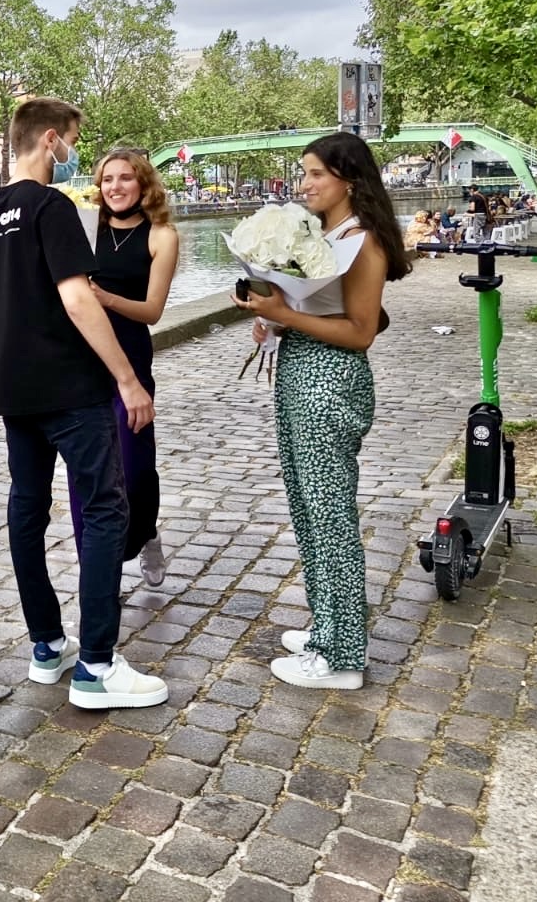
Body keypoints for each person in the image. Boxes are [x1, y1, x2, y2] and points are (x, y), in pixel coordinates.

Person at [0, 97, 169, 711]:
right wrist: (128, 380)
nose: (73, 155)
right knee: (106, 511)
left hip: (14, 390)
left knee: (27, 514)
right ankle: (98, 666)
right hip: (69, 390)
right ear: (51, 139)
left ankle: (47, 645)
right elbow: (78, 299)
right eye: (73, 141)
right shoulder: (50, 206)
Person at [232, 132, 412, 690]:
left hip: (329, 382)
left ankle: (343, 658)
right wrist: (275, 316)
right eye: (304, 173)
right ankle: (327, 627)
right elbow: (322, 309)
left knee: (330, 516)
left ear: (348, 179)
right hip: (301, 372)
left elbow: (361, 333)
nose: (304, 183)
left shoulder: (363, 241)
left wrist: (285, 310)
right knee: (309, 508)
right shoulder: (327, 236)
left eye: (314, 174)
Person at [66, 148, 179, 589]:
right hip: (82, 361)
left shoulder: (161, 235)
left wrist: (103, 296)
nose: (115, 187)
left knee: (134, 468)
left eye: (125, 178)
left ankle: (146, 533)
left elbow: (152, 311)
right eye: (107, 178)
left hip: (130, 358)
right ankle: (98, 574)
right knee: (84, 474)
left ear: (143, 183)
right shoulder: (85, 228)